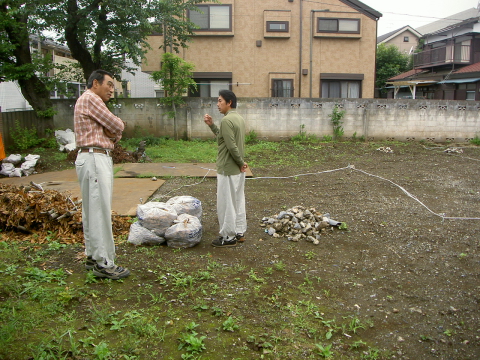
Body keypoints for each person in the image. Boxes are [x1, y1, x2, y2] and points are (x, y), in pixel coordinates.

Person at [74, 69, 130, 279]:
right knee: (99, 210)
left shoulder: (86, 100)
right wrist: (113, 130)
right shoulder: (91, 98)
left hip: (90, 157)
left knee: (91, 209)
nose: (111, 90)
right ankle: (103, 262)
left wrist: (112, 133)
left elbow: (113, 132)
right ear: (95, 83)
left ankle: (93, 256)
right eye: (109, 85)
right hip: (95, 157)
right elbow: (117, 125)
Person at [204, 90, 247, 247]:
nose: (217, 104)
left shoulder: (227, 121)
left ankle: (228, 237)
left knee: (227, 203)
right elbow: (224, 138)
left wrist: (241, 162)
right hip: (237, 170)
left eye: (220, 101)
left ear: (229, 103)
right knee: (238, 200)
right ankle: (239, 231)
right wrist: (211, 125)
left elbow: (230, 146)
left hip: (228, 169)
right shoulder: (238, 119)